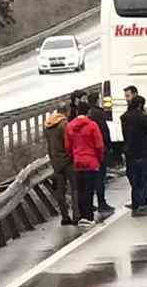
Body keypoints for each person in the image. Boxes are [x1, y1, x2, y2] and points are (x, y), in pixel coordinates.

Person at [65, 97, 106, 226]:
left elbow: (67, 146)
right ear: (88, 112)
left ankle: (82, 216)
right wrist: (100, 159)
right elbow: (99, 145)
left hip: (77, 162)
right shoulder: (92, 125)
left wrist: (74, 156)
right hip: (91, 161)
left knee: (80, 190)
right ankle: (89, 217)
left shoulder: (70, 126)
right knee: (89, 190)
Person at [119, 93, 147, 216]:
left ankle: (136, 206)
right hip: (143, 152)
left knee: (136, 182)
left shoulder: (124, 117)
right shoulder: (140, 117)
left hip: (130, 152)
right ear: (140, 105)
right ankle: (143, 205)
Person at [43, 106, 76, 225]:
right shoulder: (64, 125)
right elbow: (69, 143)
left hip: (55, 162)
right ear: (66, 112)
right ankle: (76, 215)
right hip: (67, 161)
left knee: (60, 191)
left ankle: (64, 216)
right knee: (74, 188)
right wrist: (71, 155)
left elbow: (49, 145)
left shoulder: (47, 126)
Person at [86, 92, 115, 216]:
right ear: (97, 100)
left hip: (86, 151)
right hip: (99, 150)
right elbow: (104, 131)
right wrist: (108, 146)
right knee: (99, 178)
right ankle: (102, 203)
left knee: (89, 179)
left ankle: (89, 205)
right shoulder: (99, 114)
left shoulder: (88, 114)